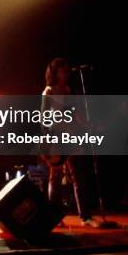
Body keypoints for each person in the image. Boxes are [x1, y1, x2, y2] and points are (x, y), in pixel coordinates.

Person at [41, 57, 99, 227]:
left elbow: (74, 112)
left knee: (79, 176)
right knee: (56, 177)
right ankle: (54, 216)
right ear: (55, 71)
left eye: (66, 68)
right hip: (56, 137)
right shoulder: (48, 91)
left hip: (71, 136)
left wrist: (87, 124)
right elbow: (43, 118)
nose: (66, 71)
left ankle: (85, 216)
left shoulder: (67, 89)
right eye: (62, 68)